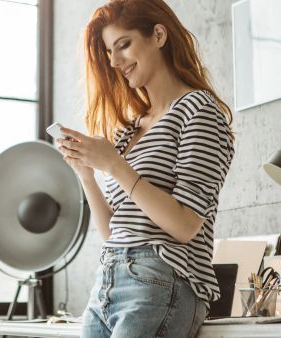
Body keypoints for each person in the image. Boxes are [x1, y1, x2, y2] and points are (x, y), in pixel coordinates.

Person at [56, 0, 234, 337]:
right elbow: (115, 232)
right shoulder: (130, 130)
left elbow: (184, 225)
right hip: (107, 280)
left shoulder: (198, 110)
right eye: (110, 52)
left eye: (123, 45)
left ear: (158, 34)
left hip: (161, 278)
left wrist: (115, 165)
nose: (115, 61)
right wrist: (88, 175)